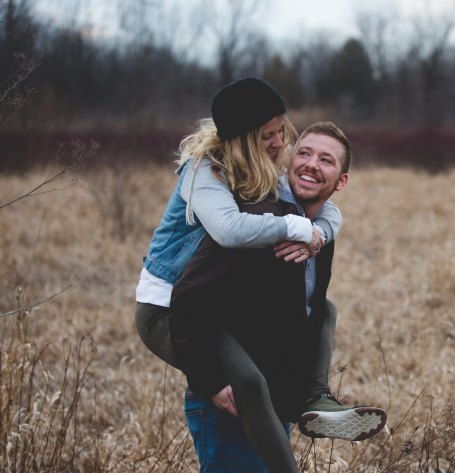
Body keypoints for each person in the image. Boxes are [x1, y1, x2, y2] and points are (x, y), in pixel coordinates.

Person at [133, 79, 382, 470]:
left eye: (283, 131)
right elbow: (231, 230)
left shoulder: (260, 175)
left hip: (209, 309)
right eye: (269, 135)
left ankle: (315, 399)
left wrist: (318, 234)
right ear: (245, 138)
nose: (280, 141)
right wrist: (295, 229)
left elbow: (321, 207)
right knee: (247, 382)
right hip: (170, 304)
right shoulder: (205, 172)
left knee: (325, 310)